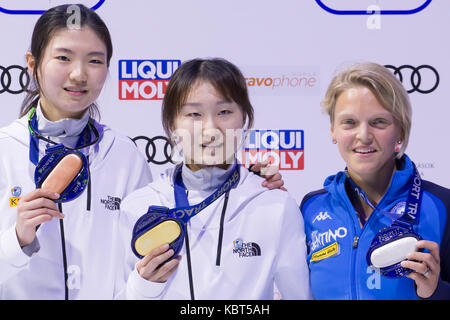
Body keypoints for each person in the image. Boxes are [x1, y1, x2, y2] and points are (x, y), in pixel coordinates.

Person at [0, 4, 284, 300]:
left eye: (95, 60)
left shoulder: (123, 156)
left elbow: (146, 266)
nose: (79, 74)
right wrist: (17, 240)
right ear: (32, 64)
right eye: (63, 57)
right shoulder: (5, 148)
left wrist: (246, 186)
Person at [120, 58, 312, 300]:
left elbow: (298, 296)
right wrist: (144, 286)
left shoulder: (275, 205)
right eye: (194, 114)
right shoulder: (138, 206)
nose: (210, 129)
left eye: (224, 112)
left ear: (244, 118)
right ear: (172, 123)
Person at [300, 62, 450, 299]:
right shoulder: (310, 208)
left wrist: (435, 292)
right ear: (333, 131)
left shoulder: (441, 205)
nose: (363, 135)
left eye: (378, 122)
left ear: (400, 129)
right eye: (349, 122)